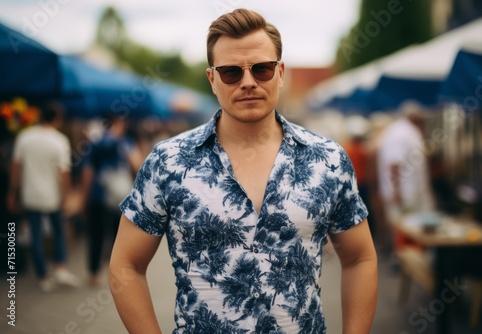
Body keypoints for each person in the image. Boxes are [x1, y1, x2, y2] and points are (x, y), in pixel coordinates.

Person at [109, 8, 378, 334]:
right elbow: (126, 265)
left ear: (280, 73)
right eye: (231, 73)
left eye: (262, 69)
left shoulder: (328, 160)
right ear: (212, 79)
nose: (248, 82)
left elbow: (360, 259)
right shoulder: (168, 162)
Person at [7, 101, 80, 291]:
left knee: (36, 234)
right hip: (53, 195)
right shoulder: (59, 140)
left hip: (30, 195)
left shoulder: (25, 137)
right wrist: (66, 195)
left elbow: (16, 167)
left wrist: (13, 192)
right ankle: (60, 267)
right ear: (57, 119)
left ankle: (42, 275)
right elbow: (64, 173)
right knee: (58, 231)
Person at [80, 113, 142, 286]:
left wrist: (84, 198)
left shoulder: (94, 144)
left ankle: (93, 274)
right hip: (119, 198)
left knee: (95, 235)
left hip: (97, 196)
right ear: (117, 124)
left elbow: (87, 173)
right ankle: (115, 271)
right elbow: (137, 166)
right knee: (118, 236)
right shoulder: (125, 143)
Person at [377, 101, 436, 253]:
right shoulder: (400, 132)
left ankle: (410, 260)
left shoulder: (407, 131)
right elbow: (393, 163)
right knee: (404, 229)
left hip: (410, 193)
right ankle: (404, 261)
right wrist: (396, 191)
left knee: (411, 229)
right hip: (405, 193)